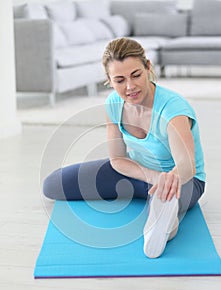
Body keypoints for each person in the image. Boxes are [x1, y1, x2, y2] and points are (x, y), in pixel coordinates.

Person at [43, 37, 206, 258]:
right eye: (119, 80)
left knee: (165, 199)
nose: (130, 87)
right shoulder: (113, 103)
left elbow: (186, 166)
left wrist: (165, 180)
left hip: (181, 180)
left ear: (148, 67)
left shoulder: (172, 109)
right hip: (137, 171)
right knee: (53, 185)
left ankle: (162, 226)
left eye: (136, 75)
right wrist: (152, 177)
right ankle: (157, 203)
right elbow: (118, 160)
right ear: (109, 80)